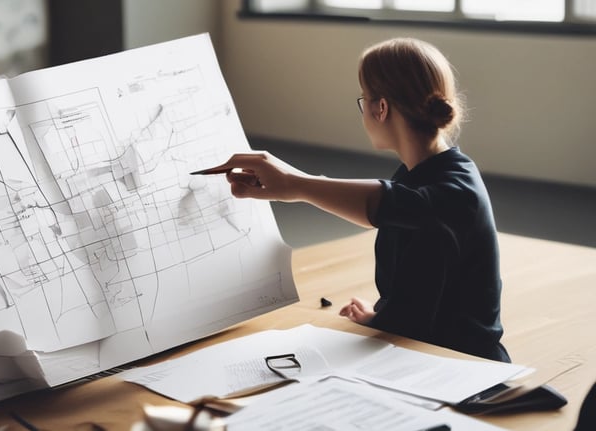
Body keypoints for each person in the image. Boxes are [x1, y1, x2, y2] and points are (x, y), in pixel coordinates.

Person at [208, 38, 511, 363]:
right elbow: (402, 227)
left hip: (468, 370)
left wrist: (295, 185)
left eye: (362, 99)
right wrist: (383, 319)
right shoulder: (429, 173)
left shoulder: (453, 191)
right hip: (428, 352)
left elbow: (395, 206)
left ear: (380, 108)